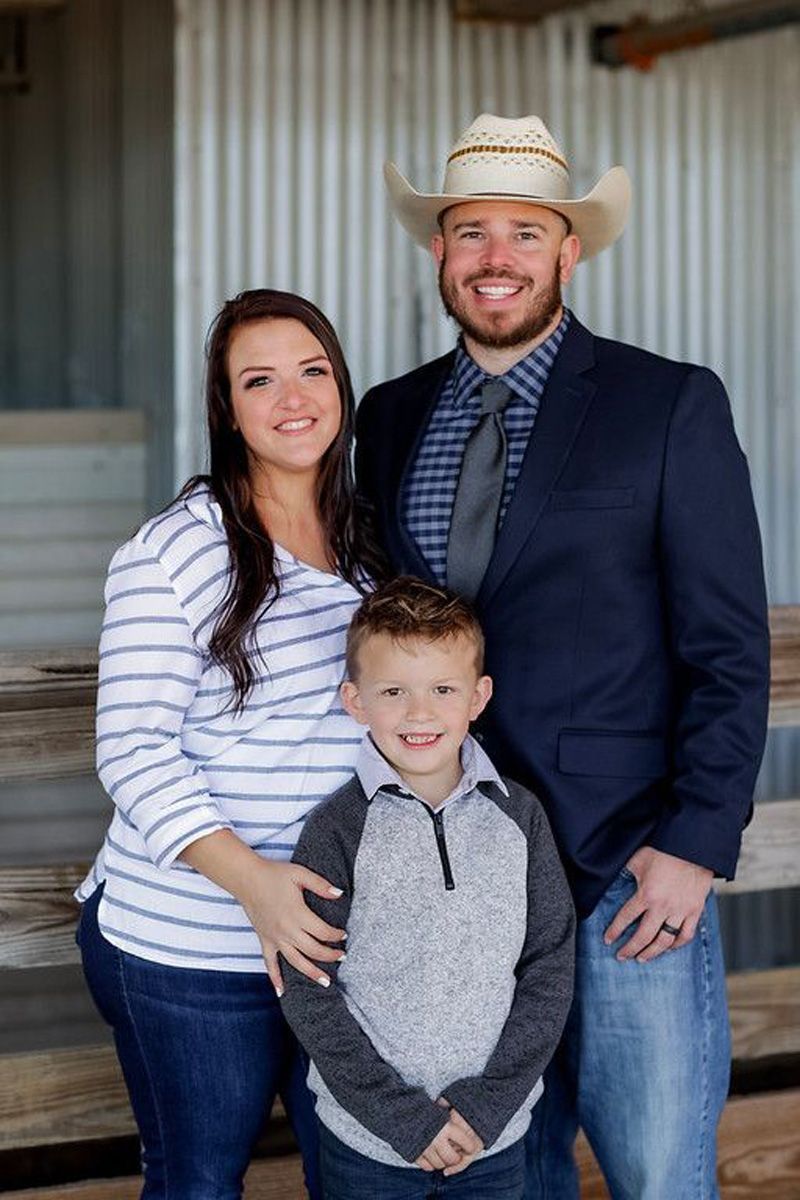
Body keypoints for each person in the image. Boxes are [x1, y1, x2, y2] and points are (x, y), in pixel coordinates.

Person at [355, 114, 771, 1199]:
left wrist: (692, 842)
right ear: (437, 251)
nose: (496, 259)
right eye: (471, 233)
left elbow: (727, 646)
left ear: (567, 252)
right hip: (456, 877)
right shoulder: (390, 417)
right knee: (505, 1178)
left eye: (524, 234)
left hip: (623, 867)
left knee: (656, 1174)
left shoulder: (665, 403)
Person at [76, 289, 385, 1200]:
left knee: (361, 1171)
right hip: (190, 946)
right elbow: (130, 747)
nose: (293, 398)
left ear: (341, 385)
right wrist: (257, 885)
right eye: (260, 381)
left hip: (332, 943)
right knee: (201, 1180)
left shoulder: (368, 544)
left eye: (312, 371)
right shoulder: (176, 552)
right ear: (228, 410)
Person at [279, 576, 575, 1200]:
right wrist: (404, 1120)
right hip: (368, 1146)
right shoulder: (337, 829)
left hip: (490, 1140)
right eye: (393, 692)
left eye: (443, 689)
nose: (419, 713)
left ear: (478, 696)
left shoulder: (520, 818)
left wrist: (486, 1109)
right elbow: (310, 988)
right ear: (355, 701)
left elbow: (548, 970)